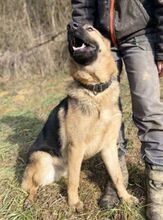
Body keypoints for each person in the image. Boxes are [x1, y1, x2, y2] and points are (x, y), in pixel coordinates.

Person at [70, 0, 163, 219]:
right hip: (102, 40)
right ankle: (117, 178)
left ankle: (157, 185)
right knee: (104, 113)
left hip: (141, 33)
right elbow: (82, 3)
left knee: (149, 112)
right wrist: (82, 36)